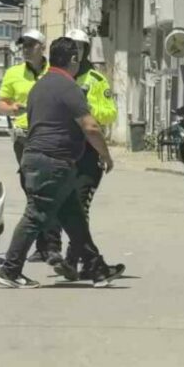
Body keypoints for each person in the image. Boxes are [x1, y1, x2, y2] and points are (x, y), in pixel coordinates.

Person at [0, 37, 125, 289]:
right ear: (73, 60)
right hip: (52, 162)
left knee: (73, 217)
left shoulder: (39, 87)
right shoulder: (68, 87)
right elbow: (90, 125)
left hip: (41, 160)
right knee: (35, 216)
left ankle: (97, 268)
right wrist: (106, 155)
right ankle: (10, 270)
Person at [34, 28, 119, 267]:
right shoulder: (54, 77)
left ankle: (75, 258)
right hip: (60, 148)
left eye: (81, 47)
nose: (76, 52)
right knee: (54, 202)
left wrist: (85, 105)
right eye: (73, 47)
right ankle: (52, 249)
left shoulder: (96, 79)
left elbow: (110, 113)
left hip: (87, 150)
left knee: (80, 206)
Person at [0, 29, 49, 191]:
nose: (26, 49)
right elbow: (1, 105)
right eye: (24, 46)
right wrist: (12, 109)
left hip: (49, 134)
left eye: (31, 45)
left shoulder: (54, 72)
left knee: (48, 179)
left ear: (42, 47)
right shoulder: (13, 73)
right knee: (28, 181)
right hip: (23, 136)